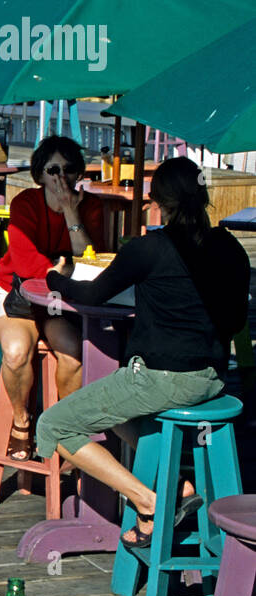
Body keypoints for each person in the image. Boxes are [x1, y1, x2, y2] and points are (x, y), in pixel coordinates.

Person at [36, 158, 250, 548]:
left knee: (54, 426)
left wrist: (56, 279)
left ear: (158, 203)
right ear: (203, 198)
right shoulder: (230, 247)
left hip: (161, 378)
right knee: (116, 408)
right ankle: (181, 487)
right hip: (213, 377)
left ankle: (148, 502)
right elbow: (235, 321)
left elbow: (91, 294)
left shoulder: (148, 248)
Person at [0, 135, 106, 460]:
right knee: (17, 351)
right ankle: (22, 423)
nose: (61, 177)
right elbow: (23, 262)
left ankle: (66, 432)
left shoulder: (89, 207)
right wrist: (58, 271)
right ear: (40, 174)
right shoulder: (25, 204)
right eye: (53, 169)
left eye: (69, 169)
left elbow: (89, 256)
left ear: (79, 173)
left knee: (73, 353)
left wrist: (70, 213)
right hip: (13, 295)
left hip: (58, 303)